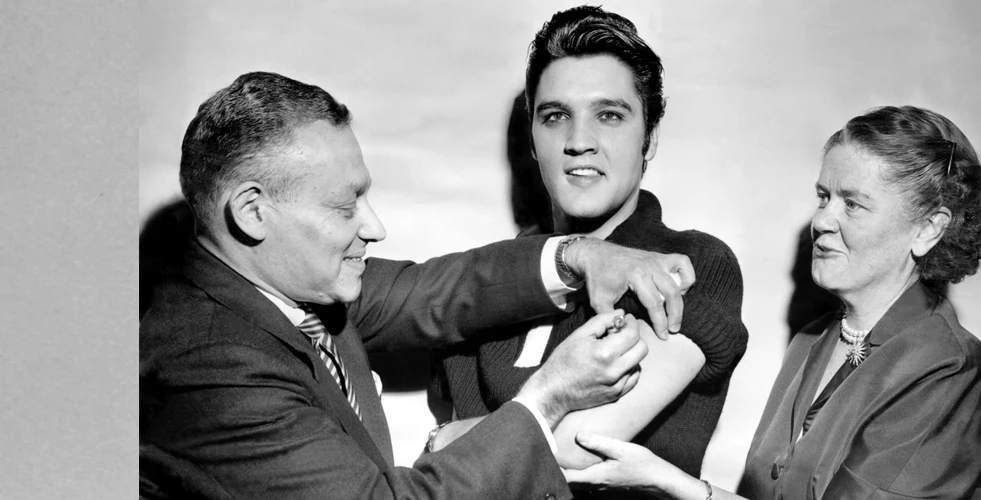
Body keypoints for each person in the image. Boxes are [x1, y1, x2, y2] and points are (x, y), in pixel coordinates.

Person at [139, 71, 701, 499]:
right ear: (252, 212)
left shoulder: (287, 288)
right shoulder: (209, 367)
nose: (374, 226)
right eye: (344, 206)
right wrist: (547, 399)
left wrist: (581, 254)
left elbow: (436, 289)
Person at [564, 106, 981, 500]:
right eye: (823, 197)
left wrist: (671, 482)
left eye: (853, 205)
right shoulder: (812, 341)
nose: (821, 221)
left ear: (928, 229)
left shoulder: (950, 366)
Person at [430, 5, 748, 482]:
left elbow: (581, 445)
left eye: (610, 115)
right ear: (533, 140)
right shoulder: (493, 277)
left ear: (650, 138)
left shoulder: (692, 262)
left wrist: (444, 441)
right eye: (556, 116)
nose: (580, 141)